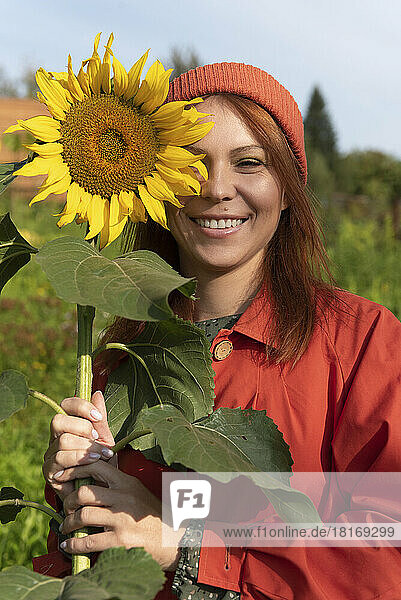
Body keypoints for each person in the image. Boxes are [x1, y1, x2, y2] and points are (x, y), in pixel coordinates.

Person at [34, 63, 401, 599]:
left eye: (248, 163)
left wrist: (186, 546)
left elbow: (383, 547)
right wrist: (77, 496)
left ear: (288, 189)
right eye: (191, 163)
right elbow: (108, 547)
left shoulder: (361, 344)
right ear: (154, 181)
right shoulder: (124, 356)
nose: (216, 188)